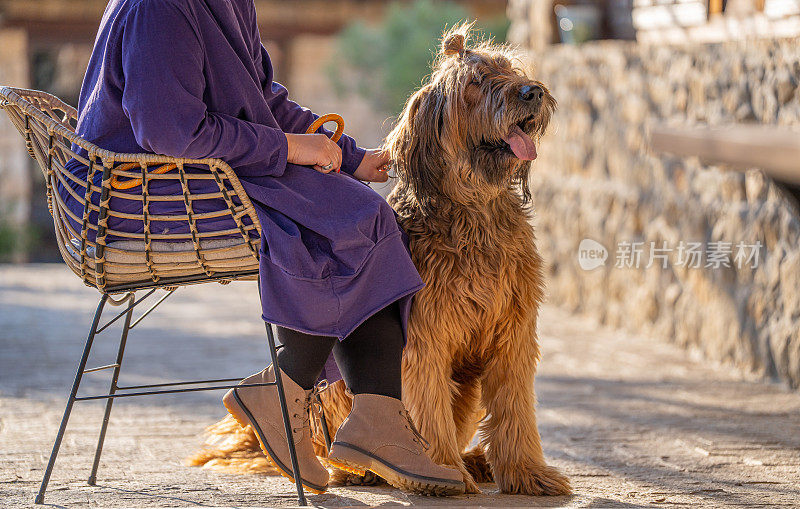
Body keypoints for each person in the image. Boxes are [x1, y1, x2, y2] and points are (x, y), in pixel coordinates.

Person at [59, 0, 465, 497]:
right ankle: (297, 392)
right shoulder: (160, 9)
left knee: (360, 211)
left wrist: (352, 157)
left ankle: (372, 415)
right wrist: (293, 149)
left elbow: (263, 103)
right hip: (139, 194)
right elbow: (169, 131)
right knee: (344, 222)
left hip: (199, 173)